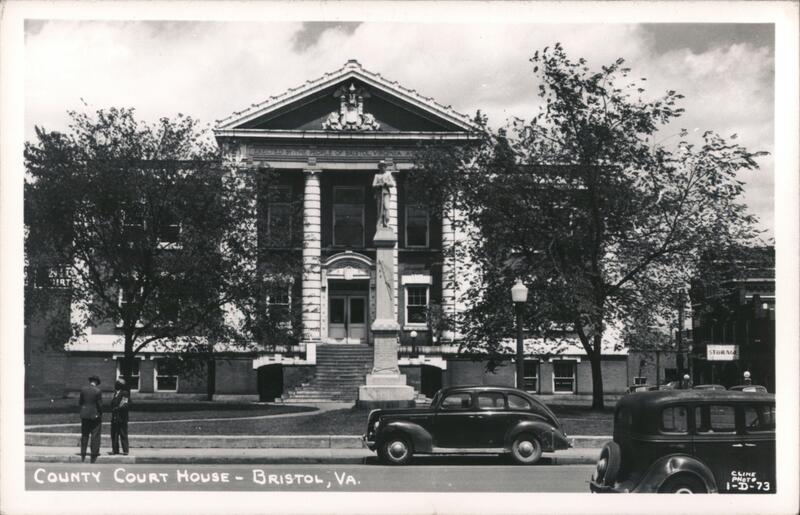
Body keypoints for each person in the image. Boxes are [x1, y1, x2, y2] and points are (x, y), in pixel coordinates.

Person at [78, 375, 103, 463]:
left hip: (84, 414)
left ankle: (83, 453)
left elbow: (80, 402)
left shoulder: (83, 390)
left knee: (84, 434)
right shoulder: (98, 391)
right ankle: (94, 454)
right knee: (95, 435)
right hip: (94, 415)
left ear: (90, 381)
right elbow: (99, 405)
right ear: (96, 382)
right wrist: (100, 413)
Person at [110, 378, 130, 455]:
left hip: (122, 417)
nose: (115, 384)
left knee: (123, 433)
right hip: (115, 416)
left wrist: (117, 408)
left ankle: (125, 450)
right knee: (114, 434)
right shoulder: (115, 393)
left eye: (117, 383)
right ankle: (115, 450)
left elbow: (125, 404)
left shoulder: (125, 393)